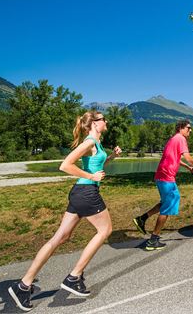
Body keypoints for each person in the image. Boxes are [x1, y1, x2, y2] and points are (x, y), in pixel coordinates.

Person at [8, 111, 122, 311]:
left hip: (80, 192)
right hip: (86, 192)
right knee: (105, 231)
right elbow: (65, 165)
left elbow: (97, 165)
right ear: (95, 123)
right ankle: (74, 277)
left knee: (60, 237)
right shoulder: (88, 142)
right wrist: (91, 176)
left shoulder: (96, 143)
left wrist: (111, 156)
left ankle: (23, 285)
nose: (106, 121)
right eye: (103, 119)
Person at [133, 119, 193, 251]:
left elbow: (175, 158)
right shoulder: (181, 139)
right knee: (171, 202)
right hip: (166, 177)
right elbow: (187, 156)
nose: (190, 130)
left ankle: (142, 218)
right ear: (181, 128)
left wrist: (188, 167)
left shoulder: (173, 139)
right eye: (188, 128)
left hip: (161, 175)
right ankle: (153, 240)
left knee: (166, 202)